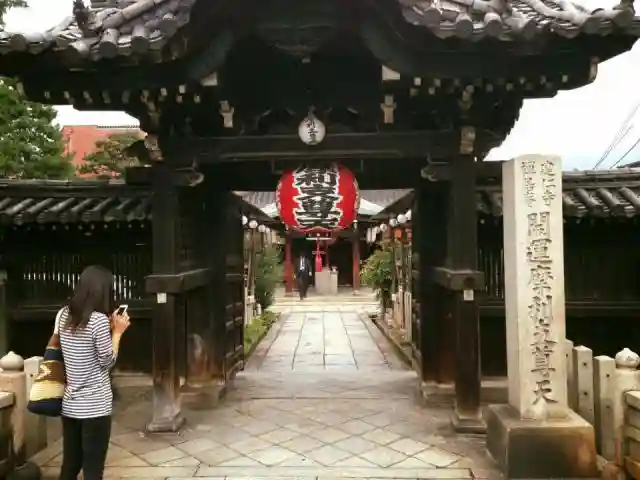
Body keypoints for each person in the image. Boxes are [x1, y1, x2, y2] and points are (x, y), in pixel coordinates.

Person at [58, 265, 130, 480]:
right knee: (93, 469)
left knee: (70, 465)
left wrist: (107, 328)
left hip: (70, 405)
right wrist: (117, 333)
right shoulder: (98, 321)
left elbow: (80, 346)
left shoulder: (64, 315)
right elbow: (107, 361)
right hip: (95, 407)